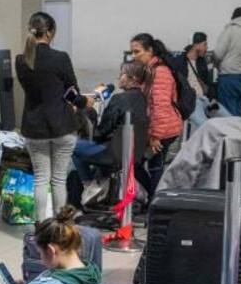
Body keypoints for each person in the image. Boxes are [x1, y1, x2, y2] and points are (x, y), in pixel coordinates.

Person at [15, 12, 80, 222]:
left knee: (41, 179)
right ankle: (60, 227)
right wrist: (82, 103)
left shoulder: (21, 60)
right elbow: (72, 91)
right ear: (50, 32)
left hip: (34, 127)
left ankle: (40, 226)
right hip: (62, 125)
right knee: (59, 179)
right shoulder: (60, 58)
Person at [74, 61, 150, 206]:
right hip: (134, 153)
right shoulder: (142, 98)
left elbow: (100, 133)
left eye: (121, 75)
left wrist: (91, 115)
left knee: (71, 146)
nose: (118, 77)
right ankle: (102, 186)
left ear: (132, 78)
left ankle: (90, 186)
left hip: (115, 153)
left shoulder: (119, 99)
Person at [129, 34, 183, 204]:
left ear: (150, 51)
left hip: (164, 130)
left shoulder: (161, 72)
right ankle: (153, 200)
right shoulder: (149, 70)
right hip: (155, 128)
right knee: (142, 165)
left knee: (152, 167)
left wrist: (156, 136)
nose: (133, 55)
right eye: (132, 52)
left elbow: (161, 107)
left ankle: (155, 203)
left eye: (137, 51)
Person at [215, 7, 241, 117]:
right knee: (240, 110)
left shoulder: (229, 30)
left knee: (227, 111)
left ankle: (231, 134)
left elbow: (218, 53)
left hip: (228, 77)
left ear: (233, 17)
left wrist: (216, 64)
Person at [182, 32, 216, 128]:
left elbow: (208, 83)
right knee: (205, 125)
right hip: (192, 101)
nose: (207, 48)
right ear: (195, 45)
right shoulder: (180, 62)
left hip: (206, 101)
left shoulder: (201, 62)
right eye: (204, 44)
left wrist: (213, 98)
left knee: (224, 118)